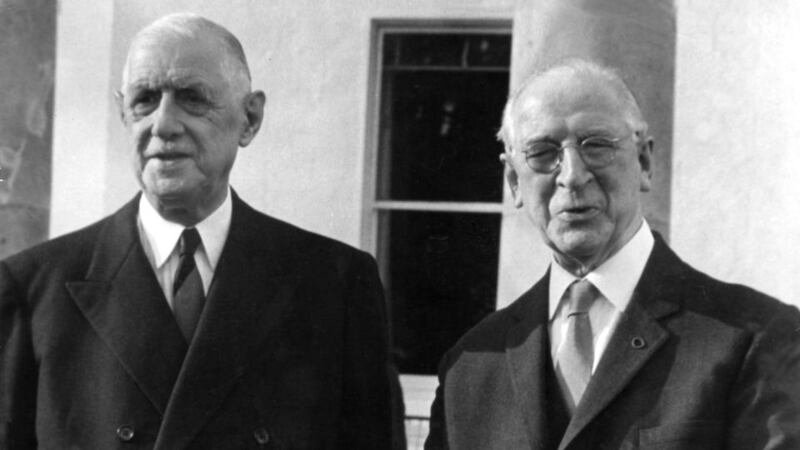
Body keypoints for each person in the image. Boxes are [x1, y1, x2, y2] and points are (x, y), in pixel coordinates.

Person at [0, 13, 400, 449]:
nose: (163, 124)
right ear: (122, 113)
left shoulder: (334, 285)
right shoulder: (34, 290)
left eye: (192, 98)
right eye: (144, 99)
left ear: (250, 119)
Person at [425, 60, 800, 449]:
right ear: (514, 181)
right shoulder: (468, 371)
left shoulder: (755, 338)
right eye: (542, 152)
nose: (572, 175)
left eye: (597, 145)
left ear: (644, 162)